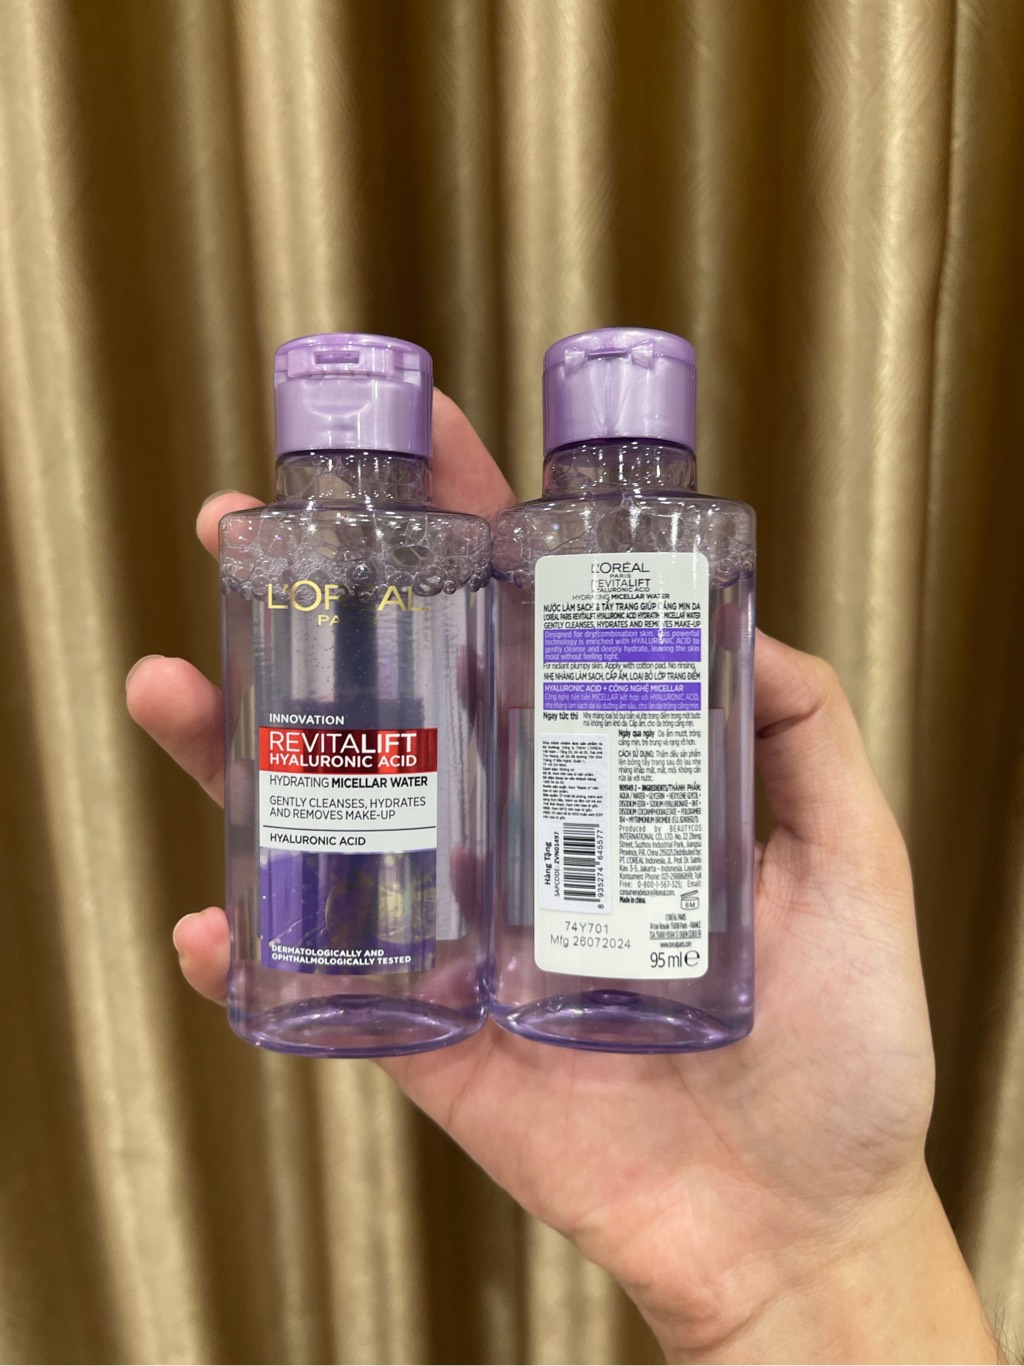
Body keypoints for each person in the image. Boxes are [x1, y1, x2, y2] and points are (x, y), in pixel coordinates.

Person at [127, 393, 1005, 1364]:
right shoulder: (294, 547)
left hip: (661, 989)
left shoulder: (673, 538)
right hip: (469, 964)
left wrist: (839, 1234)